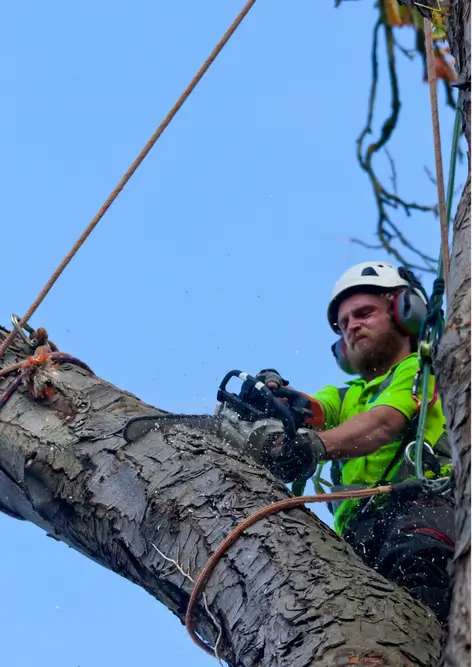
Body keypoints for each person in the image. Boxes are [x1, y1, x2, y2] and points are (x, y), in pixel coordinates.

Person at [257, 261, 454, 623]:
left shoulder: (422, 369)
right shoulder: (345, 395)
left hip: (419, 509)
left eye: (364, 314)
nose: (353, 327)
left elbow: (383, 423)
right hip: (357, 533)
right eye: (344, 324)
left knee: (420, 585)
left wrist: (315, 446)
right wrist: (276, 404)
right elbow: (315, 409)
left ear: (404, 312)